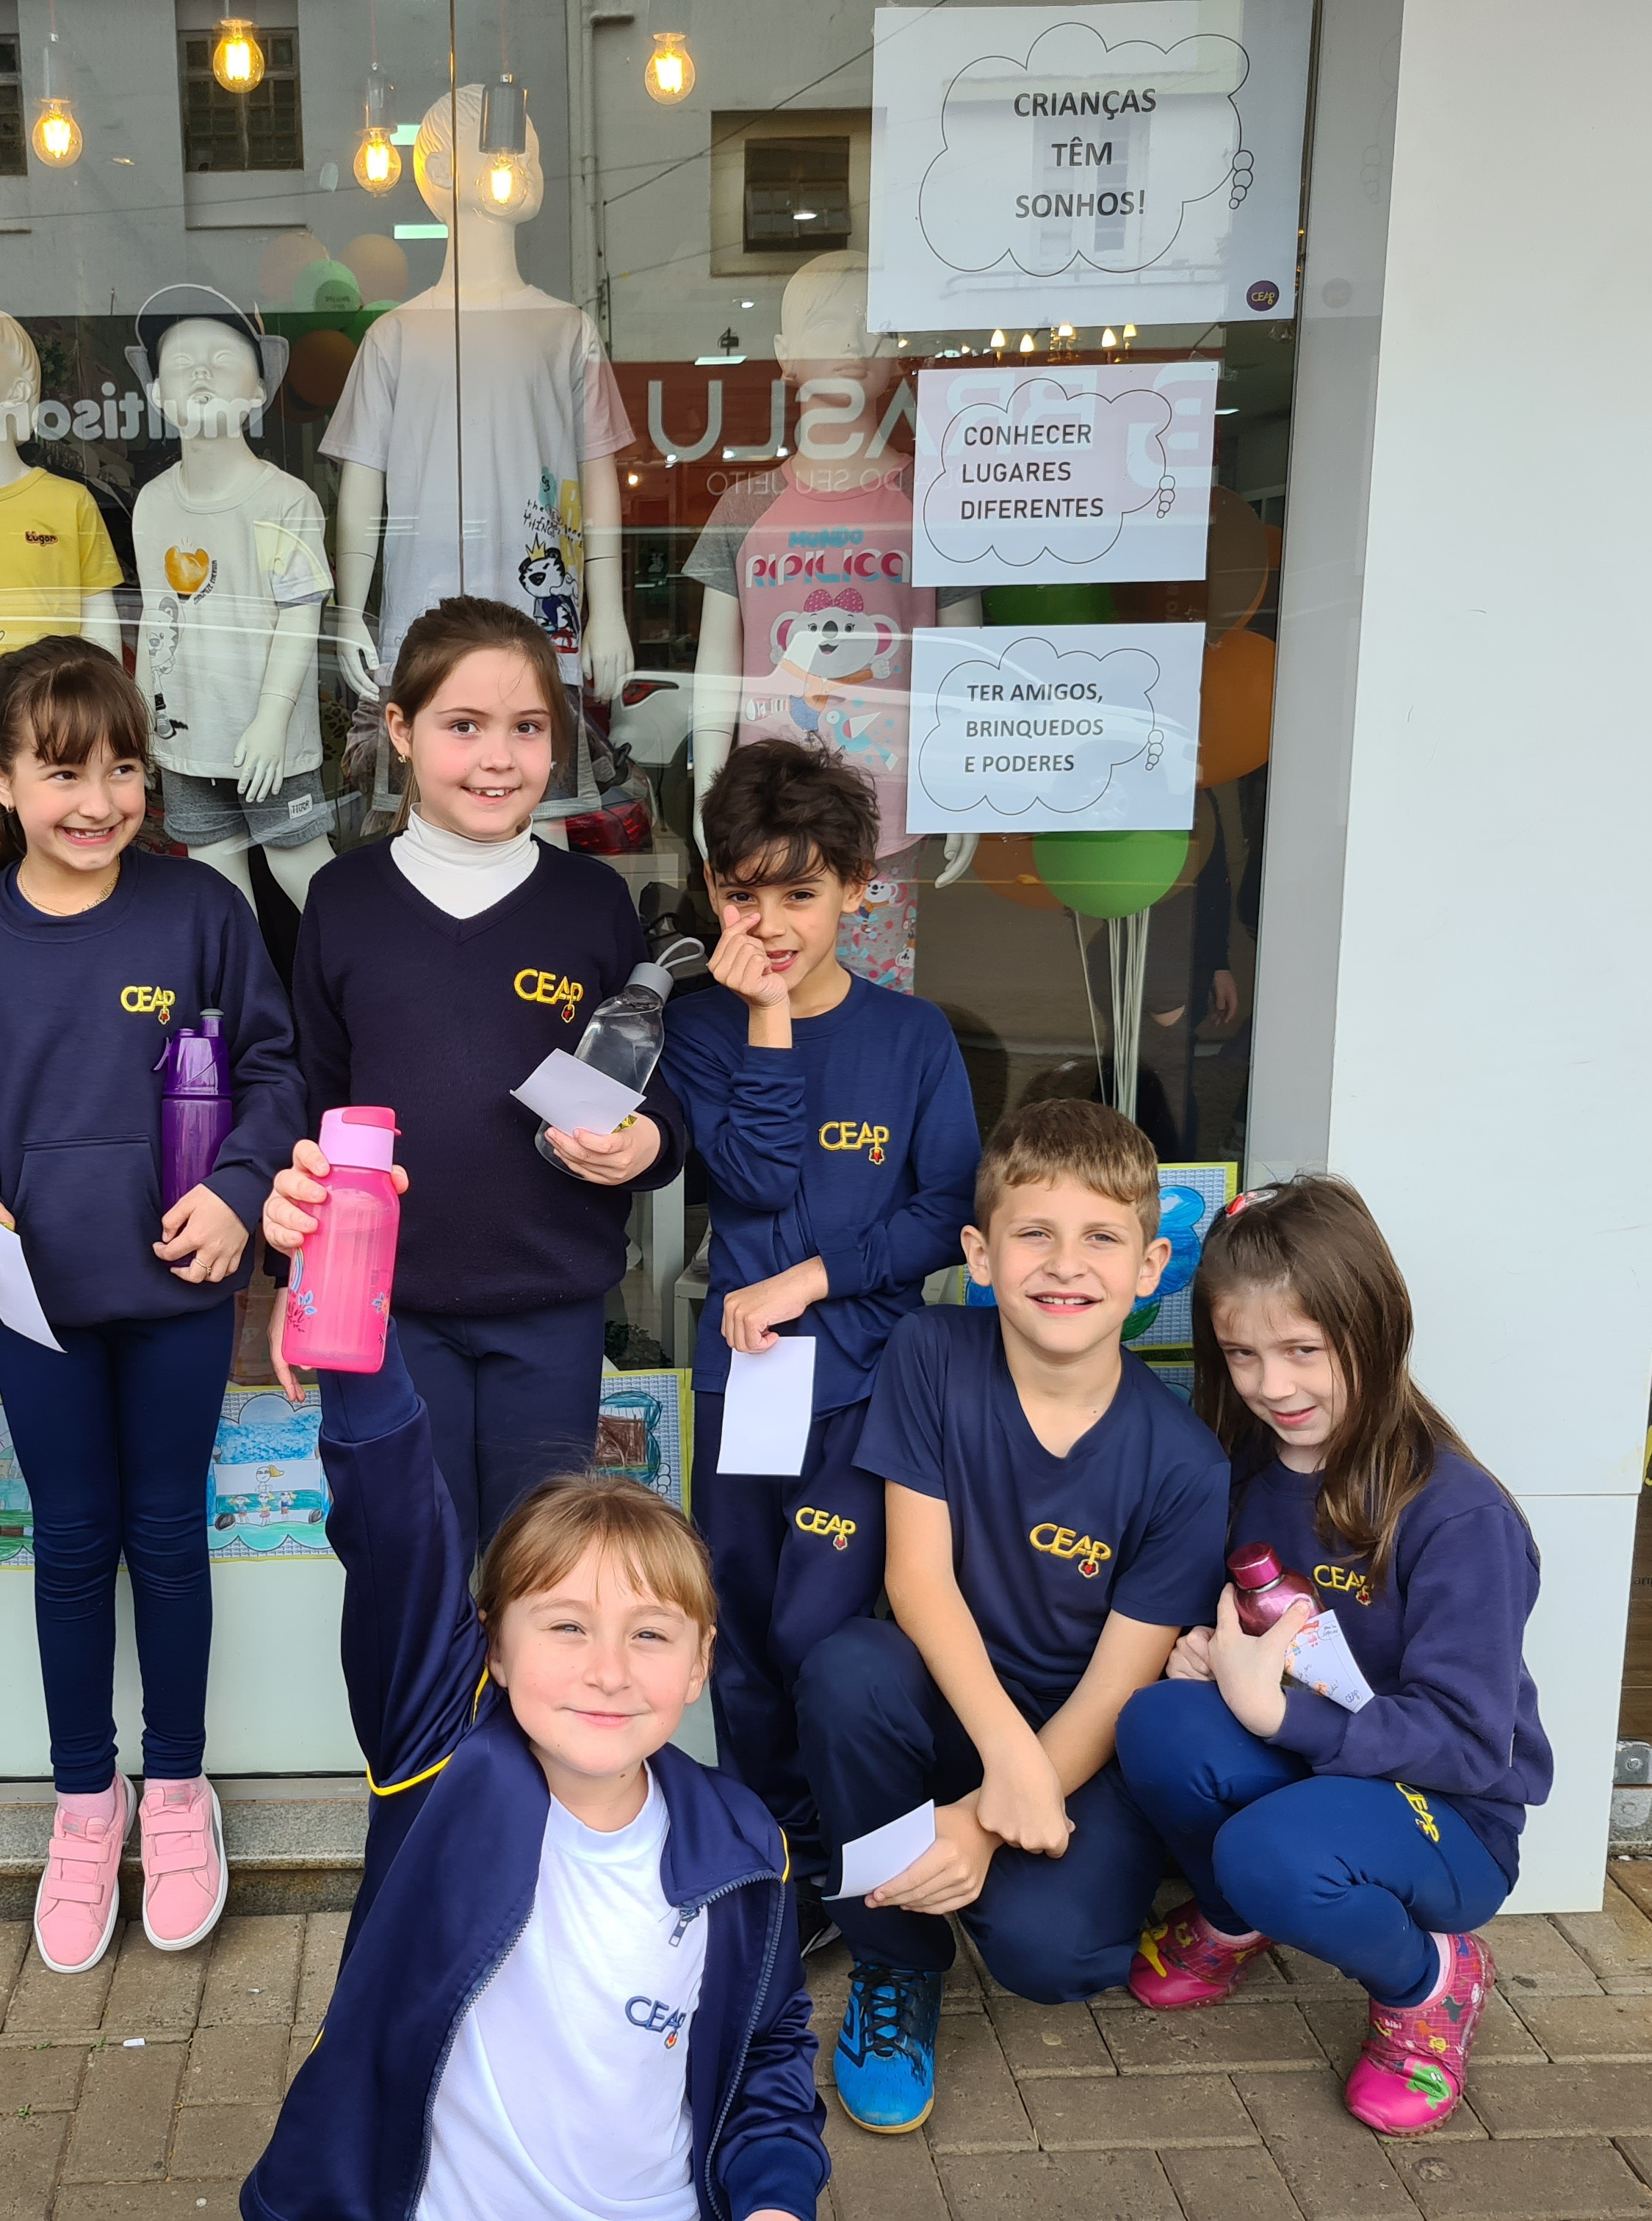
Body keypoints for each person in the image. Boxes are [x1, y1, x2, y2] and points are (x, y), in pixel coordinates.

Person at [239, 1173, 826, 2221]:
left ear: (700, 1665)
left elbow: (769, 2046)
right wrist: (344, 1277)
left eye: (651, 1635)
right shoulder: (442, 1770)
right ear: (493, 1650)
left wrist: (775, 2197)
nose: (609, 1669)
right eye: (565, 1626)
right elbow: (398, 1526)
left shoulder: (746, 1845)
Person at [0, 635, 304, 1973]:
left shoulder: (201, 912)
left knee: (169, 1534)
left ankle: (179, 1786)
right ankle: (87, 1801)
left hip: (181, 1283)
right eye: (63, 773)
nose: (99, 801)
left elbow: (272, 1069)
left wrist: (240, 1190)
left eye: (123, 769)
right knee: (73, 1543)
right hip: (37, 1300)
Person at [793, 1099, 1226, 2134]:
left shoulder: (1186, 1464)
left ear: (1151, 1266)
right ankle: (898, 1964)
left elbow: (1120, 1683)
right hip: (952, 1702)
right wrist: (1003, 1769)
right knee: (848, 1671)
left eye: (1101, 1239)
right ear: (981, 1256)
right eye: (1035, 1234)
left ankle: (951, 1869)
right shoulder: (932, 1354)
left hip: (1083, 1739)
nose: (1065, 1266)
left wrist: (981, 1825)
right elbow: (917, 1581)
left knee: (1056, 1956)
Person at [1116, 1177, 1551, 2139]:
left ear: (1376, 1326)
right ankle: (1239, 1916)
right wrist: (1203, 1650)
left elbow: (1472, 1745)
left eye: (1303, 1350)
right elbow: (1236, 1632)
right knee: (1158, 1722)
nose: (1273, 1385)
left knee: (1270, 1851)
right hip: (1317, 1773)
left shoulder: (1457, 1514)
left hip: (1448, 1817)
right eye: (1243, 1354)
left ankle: (1428, 1981)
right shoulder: (1243, 1469)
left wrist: (1277, 1712)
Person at [278, 595, 688, 1553]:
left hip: (551, 1310)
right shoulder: (343, 900)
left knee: (535, 1577)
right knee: (403, 1572)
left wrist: (647, 1145)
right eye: (463, 726)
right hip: (381, 1312)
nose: (498, 758)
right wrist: (298, 1286)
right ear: (401, 730)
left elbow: (645, 1090)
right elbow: (313, 1106)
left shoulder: (591, 902)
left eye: (528, 728)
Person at [658, 737, 978, 1940]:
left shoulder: (913, 1037)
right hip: (745, 1383)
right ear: (712, 891)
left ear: (856, 886)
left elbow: (946, 1212)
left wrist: (814, 1276)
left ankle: (861, 1856)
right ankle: (774, 1865)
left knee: (821, 1631)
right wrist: (767, 1018)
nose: (773, 923)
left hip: (871, 1389)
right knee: (742, 1629)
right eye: (745, 894)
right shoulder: (702, 1028)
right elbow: (748, 1173)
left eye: (801, 892)